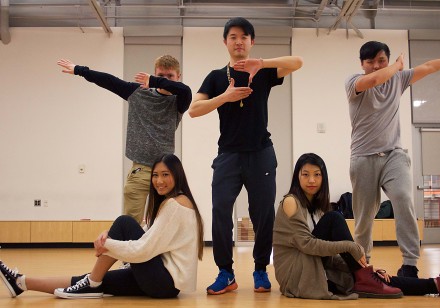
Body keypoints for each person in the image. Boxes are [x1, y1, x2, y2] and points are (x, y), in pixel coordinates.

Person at [189, 17, 303, 295]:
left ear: (252, 42)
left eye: (244, 37)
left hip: (261, 153)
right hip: (228, 154)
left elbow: (297, 61)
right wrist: (223, 98)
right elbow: (193, 109)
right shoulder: (216, 77)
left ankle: (261, 269)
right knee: (220, 212)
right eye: (233, 37)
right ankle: (226, 273)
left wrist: (261, 63)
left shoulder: (263, 72)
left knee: (263, 214)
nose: (238, 41)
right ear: (225, 42)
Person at [345, 41, 440, 278]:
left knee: (404, 198)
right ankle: (363, 264)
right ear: (361, 64)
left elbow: (430, 67)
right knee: (364, 216)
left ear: (388, 59)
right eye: (370, 62)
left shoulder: (398, 78)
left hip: (394, 154)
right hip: (363, 157)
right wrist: (395, 66)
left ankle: (409, 263)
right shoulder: (354, 82)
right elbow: (374, 80)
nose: (375, 66)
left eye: (381, 60)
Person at [0, 154, 204, 299]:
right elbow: (148, 235)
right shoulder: (174, 202)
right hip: (162, 282)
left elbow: (144, 248)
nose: (159, 181)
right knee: (91, 279)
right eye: (155, 175)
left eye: (165, 174)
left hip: (163, 282)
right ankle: (21, 283)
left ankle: (91, 284)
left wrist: (109, 244)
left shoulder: (175, 205)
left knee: (124, 222)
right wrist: (110, 238)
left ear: (177, 175)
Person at [272, 153, 440, 300]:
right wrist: (349, 246)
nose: (312, 180)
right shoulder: (291, 202)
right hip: (296, 274)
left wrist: (366, 268)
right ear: (297, 177)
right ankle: (365, 276)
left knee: (378, 278)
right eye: (305, 174)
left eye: (317, 174)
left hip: (313, 266)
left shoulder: (317, 209)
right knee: (334, 218)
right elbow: (307, 245)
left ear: (323, 178)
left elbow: (325, 254)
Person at [57, 56, 192, 224]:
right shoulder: (137, 92)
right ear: (154, 73)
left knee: (167, 222)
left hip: (165, 170)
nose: (164, 80)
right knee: (131, 223)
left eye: (169, 76)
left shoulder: (179, 100)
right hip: (140, 169)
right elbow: (109, 81)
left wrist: (155, 80)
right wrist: (79, 70)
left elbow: (186, 90)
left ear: (178, 76)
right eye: (160, 75)